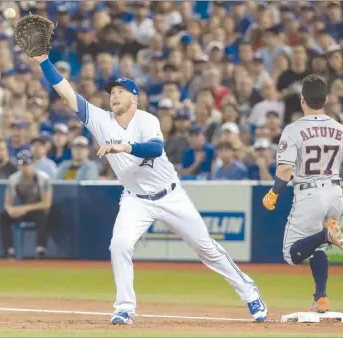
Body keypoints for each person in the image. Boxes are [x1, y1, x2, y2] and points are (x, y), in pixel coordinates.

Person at [30, 52, 267, 325]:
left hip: (170, 195)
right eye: (112, 92)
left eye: (121, 91)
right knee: (119, 245)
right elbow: (66, 93)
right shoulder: (99, 119)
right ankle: (125, 308)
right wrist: (43, 62)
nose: (114, 96)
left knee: (206, 249)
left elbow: (155, 148)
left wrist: (122, 146)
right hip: (135, 200)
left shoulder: (147, 120)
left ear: (134, 97)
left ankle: (250, 292)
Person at [262, 74, 343, 313]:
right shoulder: (341, 129)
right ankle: (321, 297)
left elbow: (285, 168)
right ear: (326, 100)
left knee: (291, 254)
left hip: (309, 193)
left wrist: (274, 193)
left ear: (302, 100)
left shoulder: (293, 130)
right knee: (317, 249)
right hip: (335, 192)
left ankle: (326, 235)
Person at [0, 150, 52, 259]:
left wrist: (25, 208)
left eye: (27, 164)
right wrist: (11, 210)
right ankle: (8, 250)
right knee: (3, 216)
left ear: (33, 164)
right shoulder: (13, 179)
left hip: (37, 209)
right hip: (23, 210)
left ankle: (40, 249)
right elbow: (7, 203)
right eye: (22, 164)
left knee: (43, 216)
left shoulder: (43, 178)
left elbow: (46, 203)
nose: (24, 167)